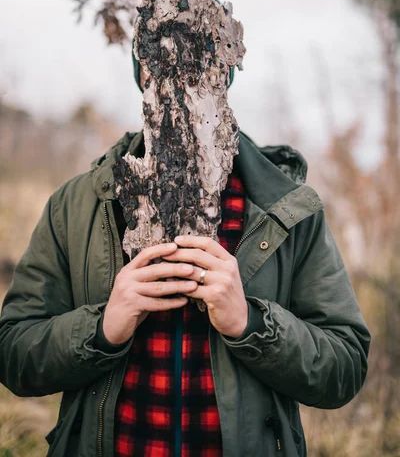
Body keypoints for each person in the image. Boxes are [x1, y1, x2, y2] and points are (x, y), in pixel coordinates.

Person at [0, 54, 370, 457]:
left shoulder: (286, 208)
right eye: (158, 55)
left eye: (200, 55)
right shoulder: (78, 204)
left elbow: (344, 366)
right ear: (140, 73)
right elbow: (14, 353)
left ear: (225, 70)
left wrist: (250, 324)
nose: (178, 73)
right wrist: (101, 329)